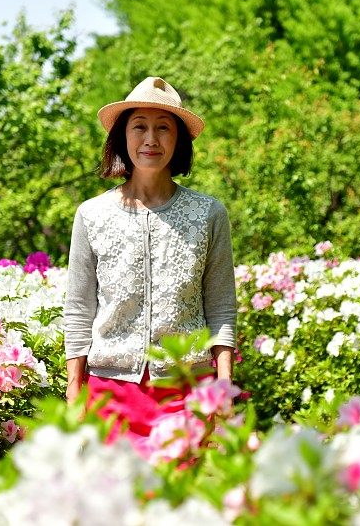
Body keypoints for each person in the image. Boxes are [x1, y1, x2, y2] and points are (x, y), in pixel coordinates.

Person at [63, 76, 237, 450]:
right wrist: (74, 393)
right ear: (122, 137)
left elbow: (221, 309)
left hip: (188, 394)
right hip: (110, 397)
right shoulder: (92, 215)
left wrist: (222, 390)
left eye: (163, 128)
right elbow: (79, 309)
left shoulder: (209, 214)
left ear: (179, 140)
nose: (151, 139)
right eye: (139, 126)